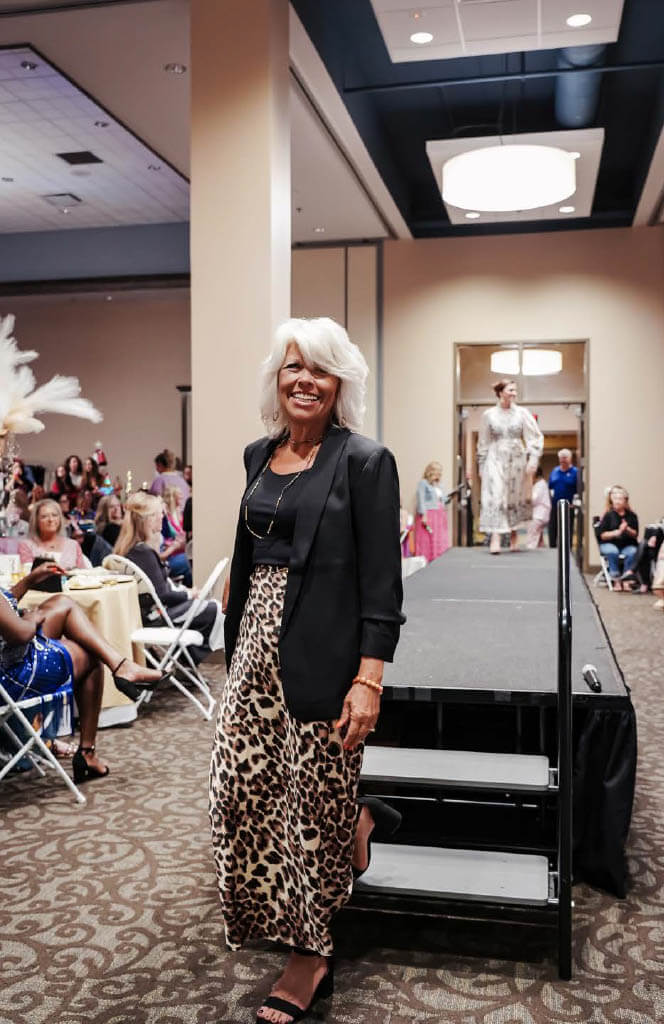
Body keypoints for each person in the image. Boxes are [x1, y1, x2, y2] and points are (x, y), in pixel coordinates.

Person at [209, 317, 404, 1024]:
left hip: (325, 648)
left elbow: (382, 583)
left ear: (339, 383)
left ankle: (311, 951)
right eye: (293, 366)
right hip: (253, 651)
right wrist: (236, 626)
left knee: (312, 807)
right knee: (238, 789)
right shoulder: (257, 455)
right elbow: (250, 547)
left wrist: (368, 678)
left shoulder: (365, 461)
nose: (304, 380)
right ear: (277, 377)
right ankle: (357, 817)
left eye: (319, 369)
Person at [0, 564, 164, 781]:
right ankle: (87, 753)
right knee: (90, 654)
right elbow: (20, 634)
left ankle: (121, 665)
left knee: (62, 603)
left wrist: (29, 581)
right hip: (11, 675)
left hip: (9, 655)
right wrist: (31, 619)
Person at [114, 492, 222, 663]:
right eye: (160, 514)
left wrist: (187, 593)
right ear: (148, 520)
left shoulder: (132, 550)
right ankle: (184, 663)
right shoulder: (144, 553)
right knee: (215, 609)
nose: (162, 518)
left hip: (147, 614)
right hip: (156, 618)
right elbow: (163, 594)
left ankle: (181, 663)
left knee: (208, 607)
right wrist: (189, 594)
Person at [477, 380, 544, 554]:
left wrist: (533, 458)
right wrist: (481, 464)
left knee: (514, 495)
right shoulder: (489, 415)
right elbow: (483, 441)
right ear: (501, 392)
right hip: (495, 457)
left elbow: (534, 436)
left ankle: (514, 534)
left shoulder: (522, 413)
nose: (514, 393)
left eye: (515, 390)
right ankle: (496, 537)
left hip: (517, 458)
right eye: (511, 390)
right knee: (496, 495)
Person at [632, 492, 664, 593]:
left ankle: (635, 573)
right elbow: (659, 526)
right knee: (645, 545)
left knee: (654, 547)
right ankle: (645, 581)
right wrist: (654, 536)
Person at [18, 498, 89, 571]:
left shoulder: (73, 545)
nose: (51, 520)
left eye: (54, 515)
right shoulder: (27, 545)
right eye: (44, 516)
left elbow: (83, 574)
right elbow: (28, 575)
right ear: (36, 521)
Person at [596, 485, 639, 591]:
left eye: (620, 499)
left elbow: (635, 534)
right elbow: (602, 535)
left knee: (633, 552)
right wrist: (618, 532)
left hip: (627, 544)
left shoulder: (631, 516)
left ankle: (626, 579)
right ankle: (616, 580)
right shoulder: (608, 515)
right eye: (615, 499)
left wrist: (627, 529)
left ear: (625, 501)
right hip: (609, 543)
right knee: (612, 551)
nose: (618, 502)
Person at [414, 461, 450, 562]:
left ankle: (438, 559)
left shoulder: (439, 485)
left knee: (439, 537)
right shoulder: (423, 483)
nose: (439, 473)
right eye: (438, 470)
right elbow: (421, 499)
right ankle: (427, 559)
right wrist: (424, 515)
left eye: (440, 471)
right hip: (429, 514)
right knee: (427, 538)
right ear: (431, 471)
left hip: (440, 515)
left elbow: (443, 499)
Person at [548, 449, 578, 548]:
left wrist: (575, 502)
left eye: (565, 457)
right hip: (555, 505)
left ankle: (567, 549)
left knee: (567, 528)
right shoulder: (555, 471)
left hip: (569, 506)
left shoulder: (575, 472)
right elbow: (550, 487)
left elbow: (580, 489)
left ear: (570, 458)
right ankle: (552, 548)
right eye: (561, 458)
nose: (563, 460)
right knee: (553, 527)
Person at [527, 466, 552, 549]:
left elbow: (534, 499)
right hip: (541, 514)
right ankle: (540, 546)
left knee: (531, 538)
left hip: (539, 515)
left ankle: (531, 551)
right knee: (538, 537)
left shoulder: (540, 485)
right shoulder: (541, 484)